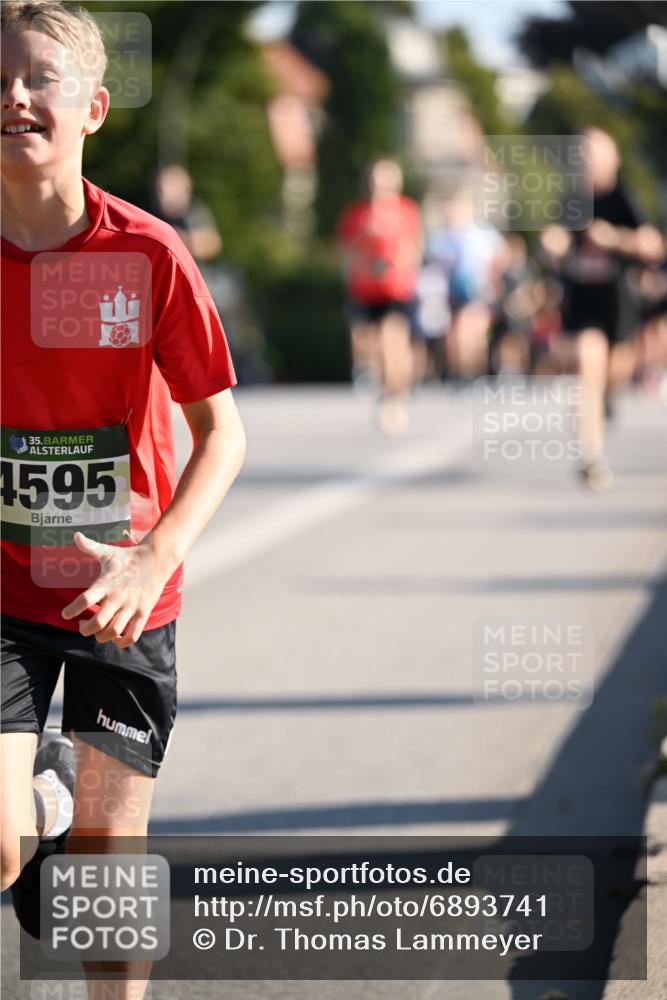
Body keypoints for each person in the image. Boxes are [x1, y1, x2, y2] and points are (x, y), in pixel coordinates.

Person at [0, 3, 246, 997]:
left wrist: (155, 557)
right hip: (8, 589)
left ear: (93, 107)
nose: (13, 96)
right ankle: (37, 809)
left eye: (39, 79)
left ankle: (66, 808)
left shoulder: (147, 255)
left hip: (122, 598)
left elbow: (223, 433)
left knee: (106, 867)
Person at [540, 127, 663, 489]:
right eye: (580, 155)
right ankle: (590, 455)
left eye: (593, 154)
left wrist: (616, 239)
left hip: (621, 306)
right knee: (587, 363)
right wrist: (554, 245)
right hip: (584, 305)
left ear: (612, 160)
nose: (586, 161)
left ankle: (607, 401)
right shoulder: (571, 201)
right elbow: (554, 237)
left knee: (613, 374)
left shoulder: (624, 198)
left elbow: (652, 244)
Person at [336, 158, 423, 435]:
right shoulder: (356, 214)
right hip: (365, 290)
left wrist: (403, 267)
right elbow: (345, 251)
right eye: (375, 179)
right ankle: (380, 382)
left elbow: (415, 248)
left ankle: (394, 396)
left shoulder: (406, 210)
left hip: (396, 289)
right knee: (364, 341)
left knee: (391, 339)